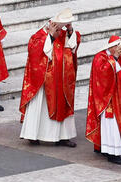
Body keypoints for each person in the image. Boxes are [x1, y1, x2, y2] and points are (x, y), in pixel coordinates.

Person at [19, 10, 80, 147]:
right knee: (40, 107)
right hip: (44, 81)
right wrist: (51, 37)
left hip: (62, 80)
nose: (61, 30)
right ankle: (33, 135)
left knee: (63, 105)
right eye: (59, 27)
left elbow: (73, 47)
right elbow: (35, 53)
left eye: (63, 27)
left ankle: (63, 136)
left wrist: (70, 31)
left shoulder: (63, 34)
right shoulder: (39, 36)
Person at [85, 35, 121, 165]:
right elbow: (102, 76)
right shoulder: (99, 57)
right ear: (111, 47)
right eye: (118, 47)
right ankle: (112, 153)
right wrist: (114, 58)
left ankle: (106, 148)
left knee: (112, 125)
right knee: (112, 125)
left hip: (118, 96)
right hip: (106, 97)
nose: (120, 49)